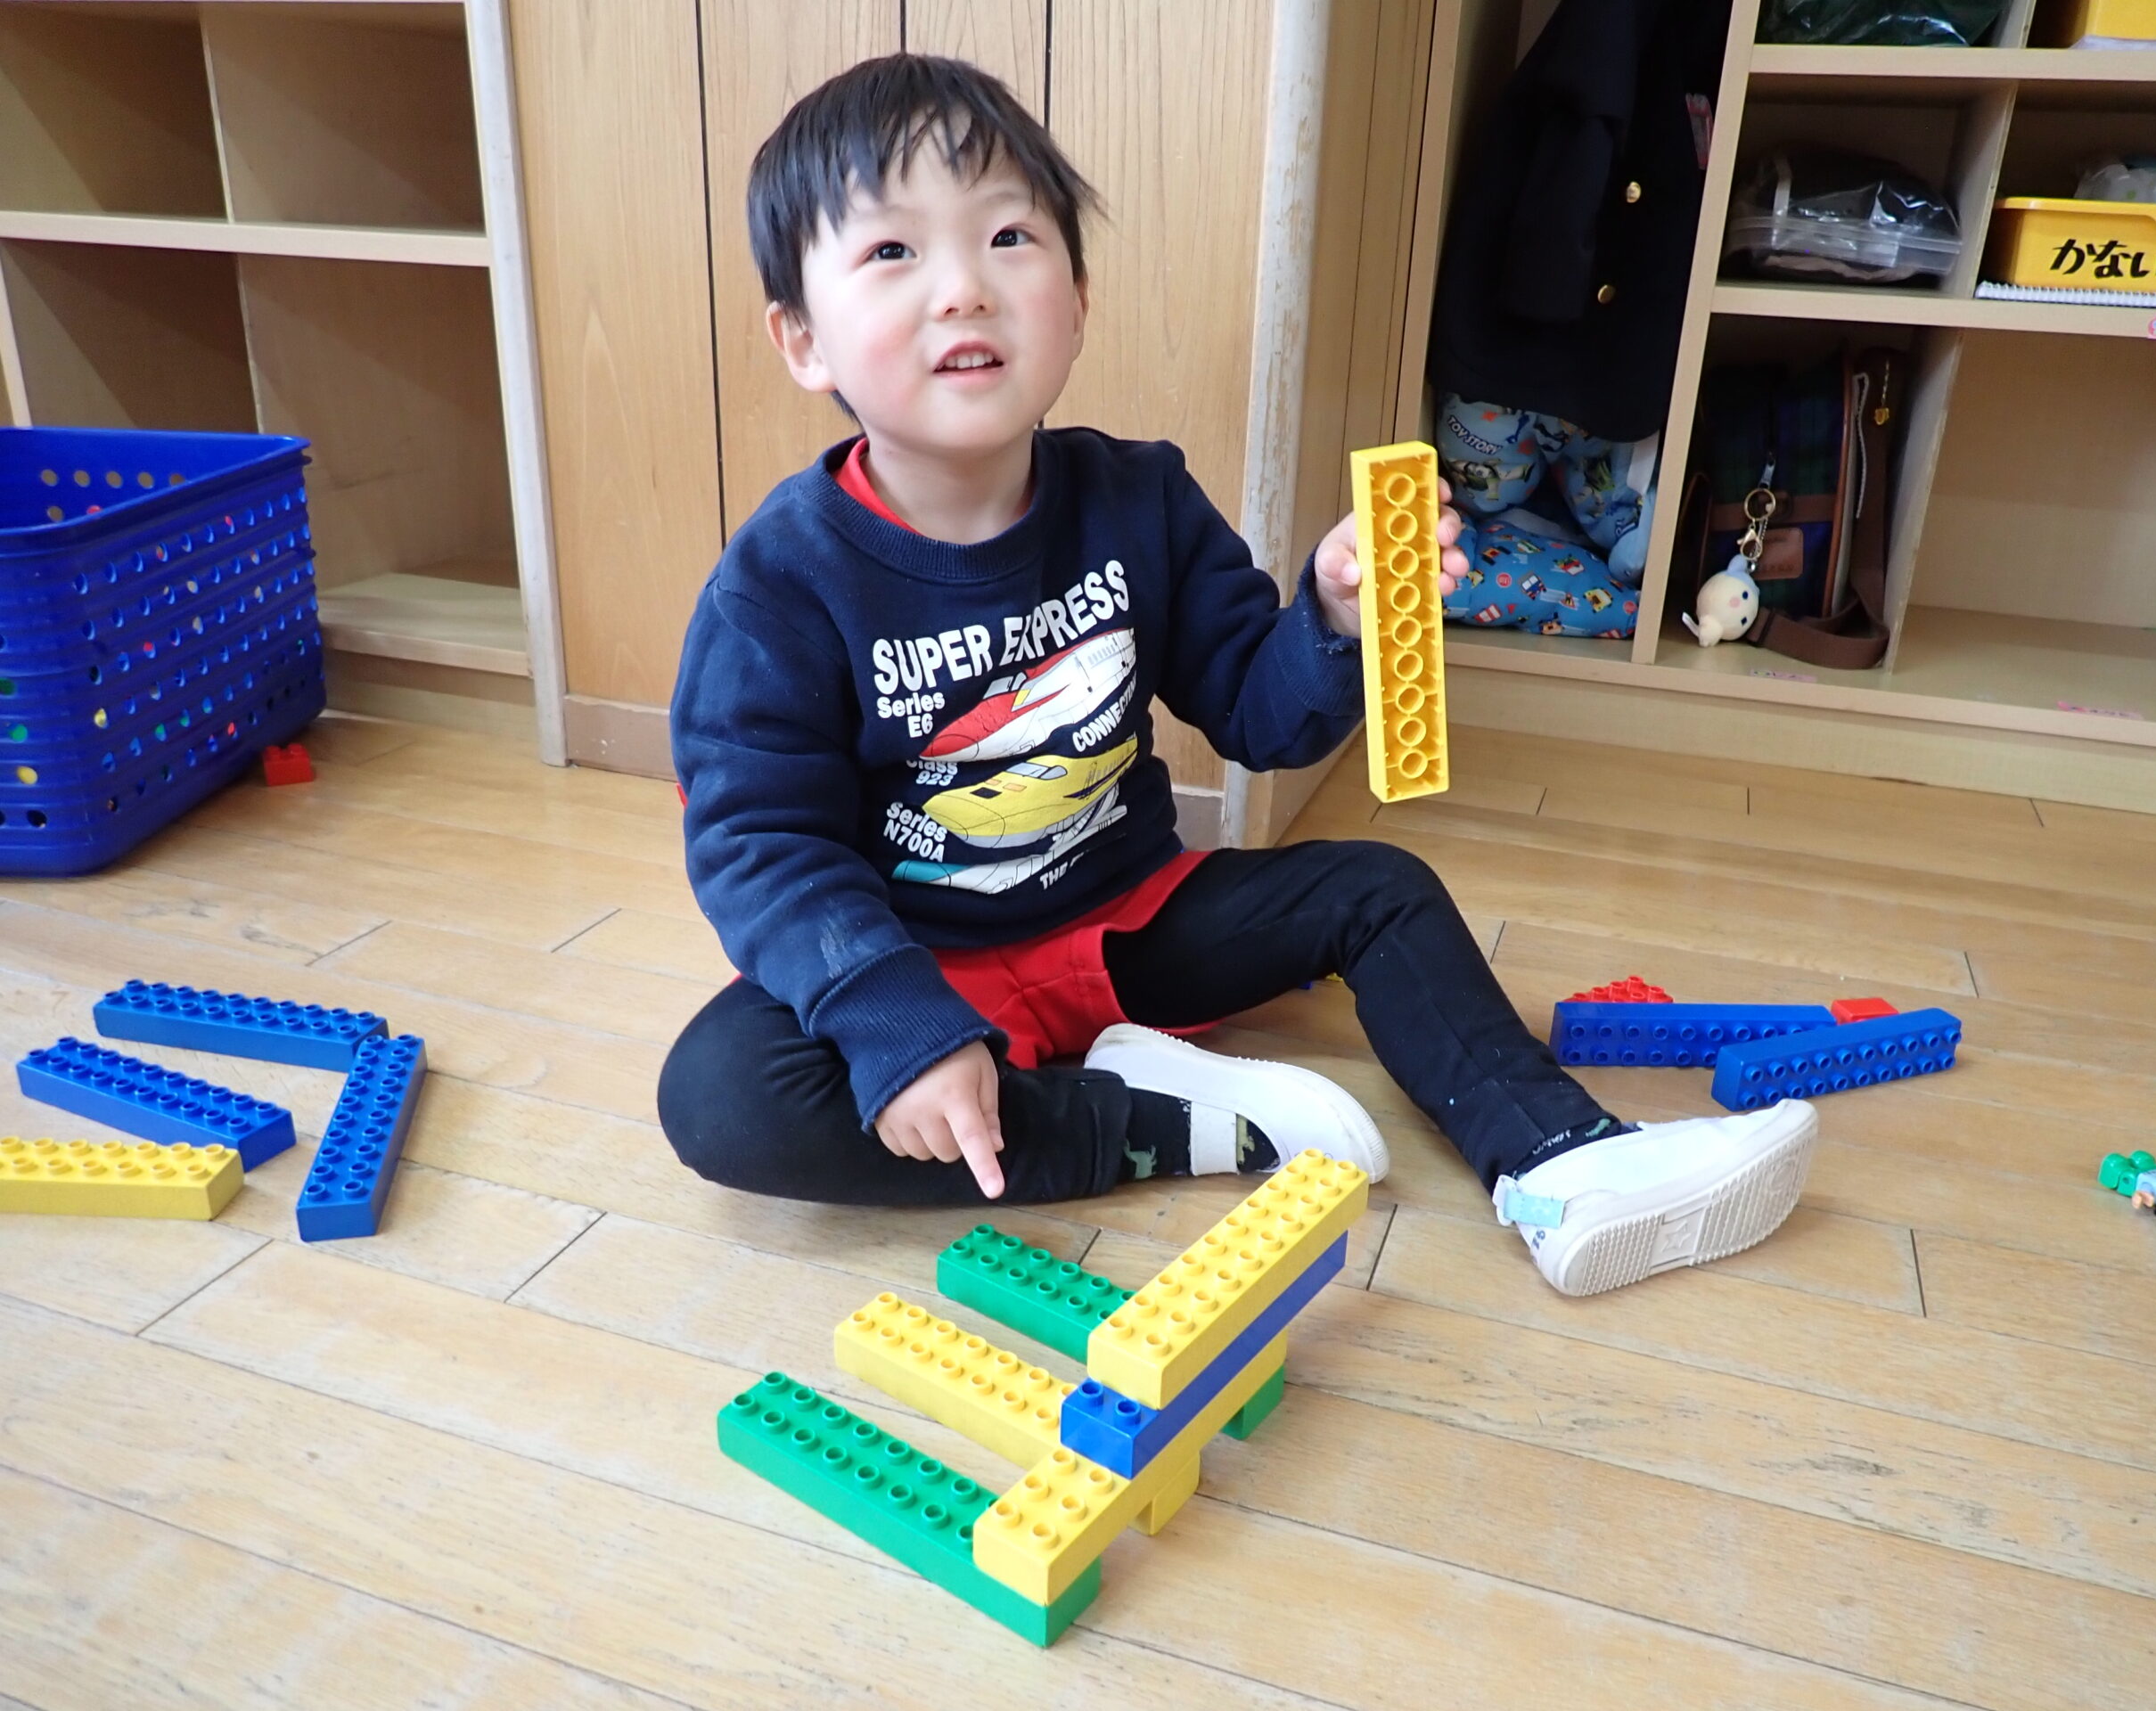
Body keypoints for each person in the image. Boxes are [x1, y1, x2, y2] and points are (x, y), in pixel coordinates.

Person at [658, 53, 1817, 1296]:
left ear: (1077, 297)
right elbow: (761, 848)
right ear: (803, 340)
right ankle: (1166, 1122)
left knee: (1378, 886)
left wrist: (1332, 615)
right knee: (721, 1096)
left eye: (1007, 237)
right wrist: (899, 1032)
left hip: (1127, 923)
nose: (963, 289)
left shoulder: (1139, 499)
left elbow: (1262, 716)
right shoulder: (777, 586)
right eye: (892, 252)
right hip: (920, 955)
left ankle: (1563, 1161)